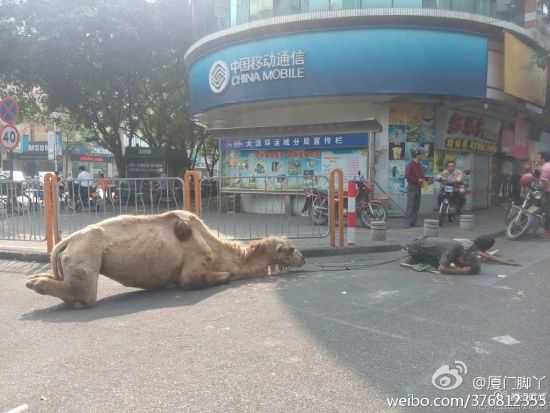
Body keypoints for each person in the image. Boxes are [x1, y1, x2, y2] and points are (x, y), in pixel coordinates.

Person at [403, 237, 481, 275]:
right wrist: (459, 271)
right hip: (416, 248)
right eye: (461, 265)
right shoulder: (452, 251)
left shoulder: (460, 248)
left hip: (422, 244)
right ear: (462, 260)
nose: (458, 266)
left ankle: (415, 259)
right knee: (437, 266)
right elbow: (442, 270)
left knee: (444, 264)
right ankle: (413, 259)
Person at [454, 234, 520, 266]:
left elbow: (487, 255)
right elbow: (489, 257)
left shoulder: (473, 244)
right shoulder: (472, 247)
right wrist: (508, 263)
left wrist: (505, 260)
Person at [404, 147, 426, 228]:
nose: (423, 156)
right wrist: (417, 180)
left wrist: (423, 180)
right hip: (412, 187)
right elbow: (407, 176)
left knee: (417, 205)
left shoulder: (419, 165)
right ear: (417, 155)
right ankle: (407, 222)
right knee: (411, 205)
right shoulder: (410, 165)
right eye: (422, 154)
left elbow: (422, 175)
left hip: (418, 187)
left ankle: (413, 222)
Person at [538, 151, 550, 238]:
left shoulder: (545, 167)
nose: (537, 159)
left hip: (547, 192)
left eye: (539, 157)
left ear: (543, 158)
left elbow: (544, 182)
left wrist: (543, 194)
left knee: (547, 211)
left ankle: (548, 231)